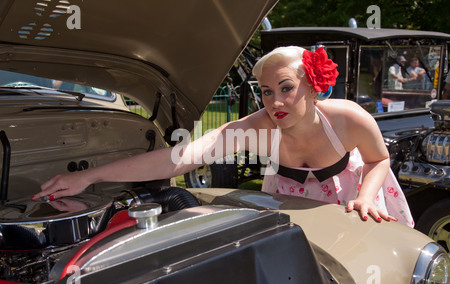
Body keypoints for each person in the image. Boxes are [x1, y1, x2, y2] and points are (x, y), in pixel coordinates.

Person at [32, 46, 414, 227]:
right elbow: (178, 158)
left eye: (285, 88)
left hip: (356, 205)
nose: (275, 101)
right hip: (293, 208)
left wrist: (365, 197)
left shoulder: (348, 118)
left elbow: (379, 159)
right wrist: (88, 176)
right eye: (266, 91)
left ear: (313, 87)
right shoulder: (254, 128)